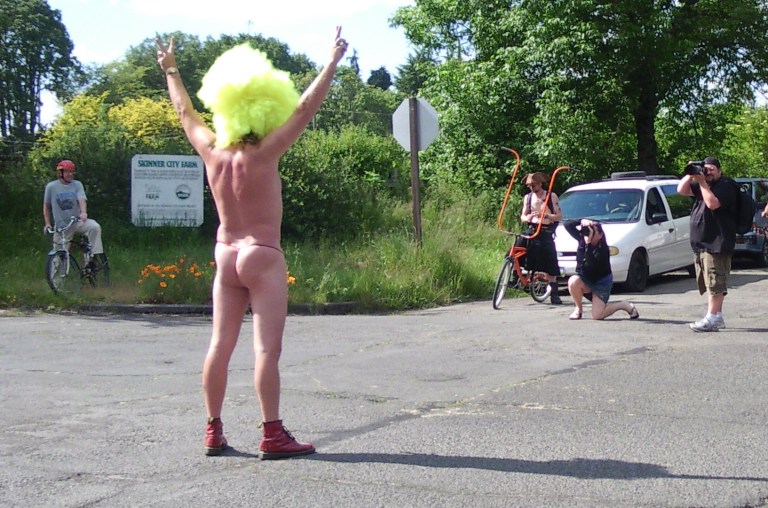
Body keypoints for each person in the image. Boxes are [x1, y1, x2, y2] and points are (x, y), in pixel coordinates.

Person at [156, 27, 348, 459]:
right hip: (261, 254)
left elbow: (185, 112)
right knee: (266, 349)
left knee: (219, 346)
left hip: (226, 254)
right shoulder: (265, 152)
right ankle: (272, 433)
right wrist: (331, 63)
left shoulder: (211, 151)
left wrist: (171, 70)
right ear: (263, 108)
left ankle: (213, 430)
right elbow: (305, 108)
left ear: (224, 108)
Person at [677, 156, 738, 332]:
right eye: (705, 169)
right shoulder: (702, 185)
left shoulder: (726, 186)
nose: (708, 172)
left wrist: (702, 182)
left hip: (717, 243)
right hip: (702, 243)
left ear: (720, 171)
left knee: (715, 282)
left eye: (712, 169)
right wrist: (690, 173)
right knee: (709, 282)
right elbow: (681, 190)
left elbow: (712, 204)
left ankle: (712, 317)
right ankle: (716, 316)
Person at [565, 218, 639, 321]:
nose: (589, 233)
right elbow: (567, 225)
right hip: (586, 280)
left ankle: (623, 305)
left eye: (593, 231)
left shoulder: (603, 250)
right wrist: (582, 221)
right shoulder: (582, 239)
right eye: (588, 230)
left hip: (601, 284)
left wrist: (588, 244)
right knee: (573, 281)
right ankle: (578, 309)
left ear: (600, 235)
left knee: (598, 315)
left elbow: (590, 264)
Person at [43, 160, 108, 268]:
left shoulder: (77, 185)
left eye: (72, 172)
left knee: (94, 227)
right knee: (58, 257)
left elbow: (81, 199)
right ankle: (57, 277)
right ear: (60, 173)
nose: (70, 174)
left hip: (77, 221)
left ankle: (93, 256)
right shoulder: (51, 187)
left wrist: (83, 212)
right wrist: (47, 223)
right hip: (62, 227)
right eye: (67, 172)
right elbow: (46, 206)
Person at [520, 172, 563, 304]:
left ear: (540, 184)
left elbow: (559, 216)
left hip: (546, 230)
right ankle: (517, 275)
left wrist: (546, 216)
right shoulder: (528, 198)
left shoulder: (551, 196)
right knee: (518, 246)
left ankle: (554, 293)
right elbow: (523, 216)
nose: (531, 188)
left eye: (533, 185)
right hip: (532, 229)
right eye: (529, 186)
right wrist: (528, 217)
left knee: (550, 258)